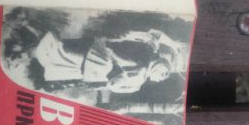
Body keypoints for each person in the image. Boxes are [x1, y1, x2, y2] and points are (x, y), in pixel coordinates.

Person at [32, 28, 182, 94]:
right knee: (59, 50)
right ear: (162, 63)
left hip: (94, 65)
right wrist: (173, 45)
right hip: (96, 54)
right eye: (165, 73)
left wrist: (118, 78)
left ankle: (33, 55)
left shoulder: (140, 79)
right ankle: (34, 44)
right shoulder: (149, 52)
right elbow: (156, 34)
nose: (162, 77)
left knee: (58, 61)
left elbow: (114, 86)